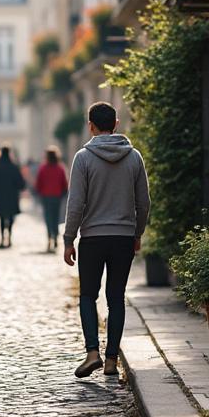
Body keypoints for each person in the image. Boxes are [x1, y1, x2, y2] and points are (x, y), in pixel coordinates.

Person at [63, 101, 151, 378]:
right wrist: (137, 233)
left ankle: (92, 353)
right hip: (123, 237)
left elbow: (76, 204)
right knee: (116, 298)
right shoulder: (134, 157)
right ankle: (112, 359)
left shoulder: (83, 158)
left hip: (92, 238)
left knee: (88, 295)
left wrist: (68, 238)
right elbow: (143, 202)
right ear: (115, 124)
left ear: (90, 126)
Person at [0, 145, 26, 248]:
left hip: (0, 196)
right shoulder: (14, 167)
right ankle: (9, 237)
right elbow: (21, 184)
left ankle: (2, 239)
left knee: (2, 218)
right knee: (10, 217)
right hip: (12, 196)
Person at [34, 147, 69, 252]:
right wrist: (63, 193)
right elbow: (65, 183)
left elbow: (39, 182)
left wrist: (39, 193)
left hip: (46, 196)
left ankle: (50, 237)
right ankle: (56, 237)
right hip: (57, 196)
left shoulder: (43, 168)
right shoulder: (60, 168)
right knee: (56, 217)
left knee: (48, 218)